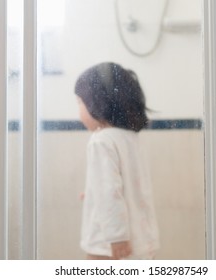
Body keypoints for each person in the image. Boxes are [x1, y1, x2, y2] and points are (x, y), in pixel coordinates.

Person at [75, 62, 159, 260]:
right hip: (142, 239)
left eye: (80, 102)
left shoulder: (101, 140)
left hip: (108, 245)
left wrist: (117, 237)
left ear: (98, 103)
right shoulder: (130, 138)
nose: (78, 112)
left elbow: (108, 191)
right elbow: (123, 185)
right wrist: (94, 194)